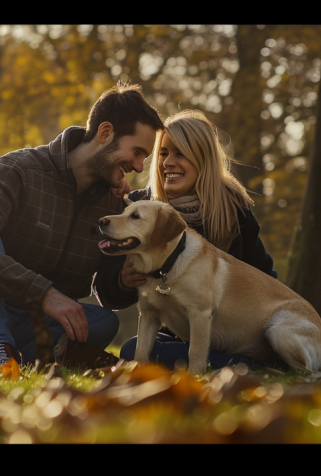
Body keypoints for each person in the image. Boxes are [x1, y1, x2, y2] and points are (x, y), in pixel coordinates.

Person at [0, 82, 165, 373]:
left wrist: (123, 281)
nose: (140, 167)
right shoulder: (20, 170)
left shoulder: (113, 205)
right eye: (137, 152)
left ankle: (20, 356)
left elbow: (104, 289)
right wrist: (43, 293)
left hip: (30, 325)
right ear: (105, 133)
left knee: (104, 322)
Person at [92, 109, 287, 371]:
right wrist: (121, 280)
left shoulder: (234, 211)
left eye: (180, 153)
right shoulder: (138, 207)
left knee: (157, 354)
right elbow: (104, 289)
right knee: (134, 349)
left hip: (232, 332)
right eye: (163, 153)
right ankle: (248, 365)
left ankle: (248, 360)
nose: (167, 163)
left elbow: (262, 277)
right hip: (176, 336)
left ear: (203, 159)